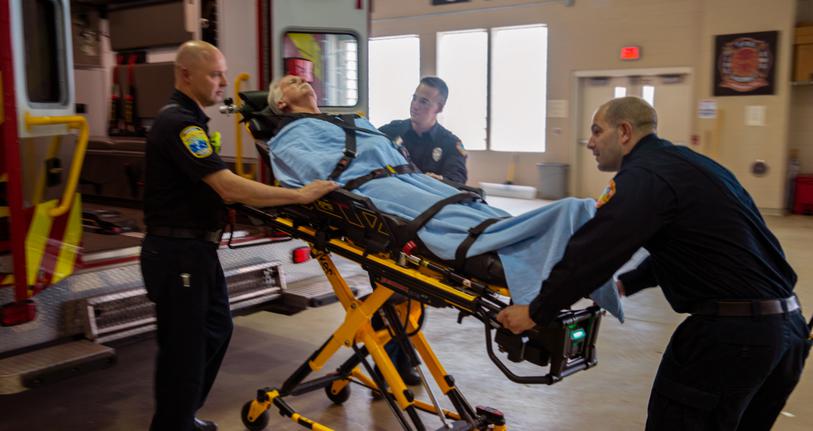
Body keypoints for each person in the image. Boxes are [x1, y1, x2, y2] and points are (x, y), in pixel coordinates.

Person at [497, 96, 811, 430]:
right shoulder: (695, 166)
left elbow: (592, 252)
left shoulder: (643, 177)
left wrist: (535, 312)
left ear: (625, 132)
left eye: (596, 131)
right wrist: (626, 284)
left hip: (732, 340)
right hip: (787, 334)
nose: (589, 143)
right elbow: (694, 246)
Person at [140, 42, 337, 431]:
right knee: (186, 347)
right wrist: (298, 195)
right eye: (215, 74)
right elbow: (227, 186)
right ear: (185, 74)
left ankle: (180, 417)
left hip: (196, 250)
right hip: (178, 252)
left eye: (223, 73)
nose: (224, 82)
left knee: (215, 328)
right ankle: (174, 425)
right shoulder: (179, 123)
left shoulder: (191, 121)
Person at [379, 76, 468, 184]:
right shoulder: (392, 131)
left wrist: (440, 181)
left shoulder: (450, 144)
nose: (414, 105)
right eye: (414, 98)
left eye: (423, 102)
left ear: (439, 108)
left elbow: (457, 180)